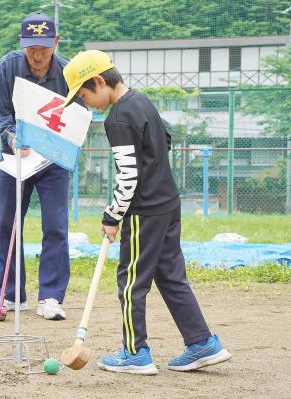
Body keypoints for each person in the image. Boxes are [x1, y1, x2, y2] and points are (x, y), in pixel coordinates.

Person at [62, 50, 232, 373]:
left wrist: (112, 216)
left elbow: (127, 176)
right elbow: (163, 144)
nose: (87, 103)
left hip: (144, 213)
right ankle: (201, 342)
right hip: (169, 204)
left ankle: (134, 351)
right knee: (170, 275)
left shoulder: (117, 118)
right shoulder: (142, 102)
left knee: (130, 280)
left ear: (99, 81)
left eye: (84, 95)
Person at [0, 12, 71, 320]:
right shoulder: (6, 68)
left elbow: (75, 117)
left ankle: (50, 296)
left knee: (55, 225)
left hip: (54, 160)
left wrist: (54, 144)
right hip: (15, 157)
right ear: (22, 44)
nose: (37, 54)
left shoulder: (68, 74)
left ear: (56, 42)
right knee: (7, 223)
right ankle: (10, 295)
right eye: (31, 47)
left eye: (44, 47)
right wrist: (12, 139)